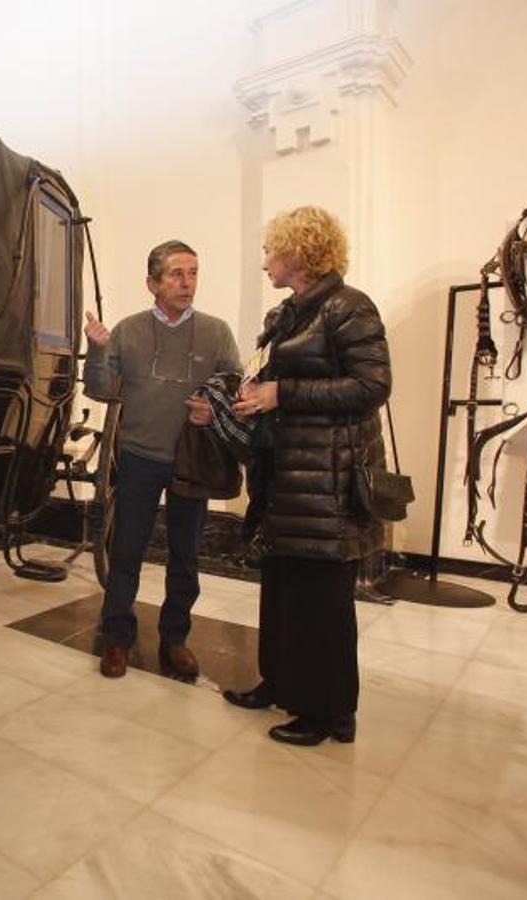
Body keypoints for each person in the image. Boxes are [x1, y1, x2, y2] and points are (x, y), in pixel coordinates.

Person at [223, 206, 391, 746]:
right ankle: (279, 682)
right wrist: (250, 393)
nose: (266, 261)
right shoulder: (287, 314)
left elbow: (372, 387)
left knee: (323, 603)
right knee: (282, 588)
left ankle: (328, 712)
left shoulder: (349, 308)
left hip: (327, 483)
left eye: (272, 250)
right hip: (286, 476)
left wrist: (282, 394)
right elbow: (269, 375)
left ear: (298, 252)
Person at [84, 240, 242, 679]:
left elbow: (236, 385)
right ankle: (117, 638)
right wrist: (98, 350)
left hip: (192, 461)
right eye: (175, 273)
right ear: (152, 283)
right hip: (138, 456)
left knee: (186, 555)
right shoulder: (129, 330)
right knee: (127, 550)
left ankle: (175, 639)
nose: (186, 282)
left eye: (193, 272)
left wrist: (217, 408)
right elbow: (100, 389)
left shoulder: (216, 332)